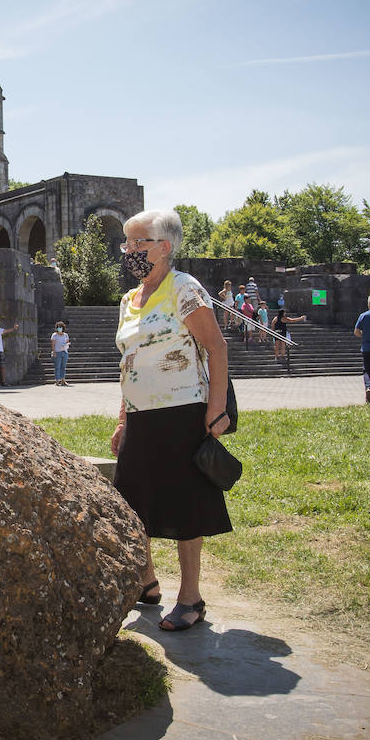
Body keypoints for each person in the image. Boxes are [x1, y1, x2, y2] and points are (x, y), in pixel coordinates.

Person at [111, 209, 231, 633]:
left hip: (182, 412)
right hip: (140, 416)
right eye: (126, 243)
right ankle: (147, 583)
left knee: (184, 504)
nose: (129, 251)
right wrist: (122, 418)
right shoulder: (128, 299)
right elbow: (129, 362)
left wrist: (216, 408)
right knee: (131, 502)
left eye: (137, 243)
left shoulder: (185, 289)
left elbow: (216, 348)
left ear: (164, 247)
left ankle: (190, 598)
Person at [50, 321, 71, 386]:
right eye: (58, 327)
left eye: (60, 327)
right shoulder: (54, 335)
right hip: (57, 352)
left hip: (64, 352)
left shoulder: (65, 335)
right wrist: (54, 352)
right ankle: (57, 380)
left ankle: (63, 380)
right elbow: (53, 344)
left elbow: (67, 342)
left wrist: (66, 344)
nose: (59, 329)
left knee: (63, 367)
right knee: (57, 367)